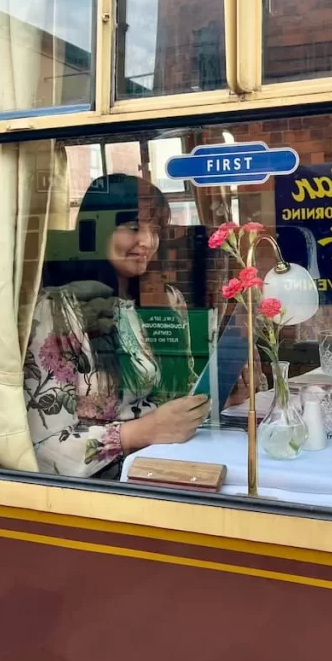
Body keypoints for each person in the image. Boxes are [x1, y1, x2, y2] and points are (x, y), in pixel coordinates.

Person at [23, 173, 231, 478]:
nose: (147, 242)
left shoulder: (167, 301)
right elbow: (45, 449)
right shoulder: (57, 310)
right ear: (96, 230)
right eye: (133, 227)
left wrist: (217, 397)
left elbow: (178, 393)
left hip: (165, 463)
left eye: (155, 230)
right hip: (106, 485)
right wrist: (140, 432)